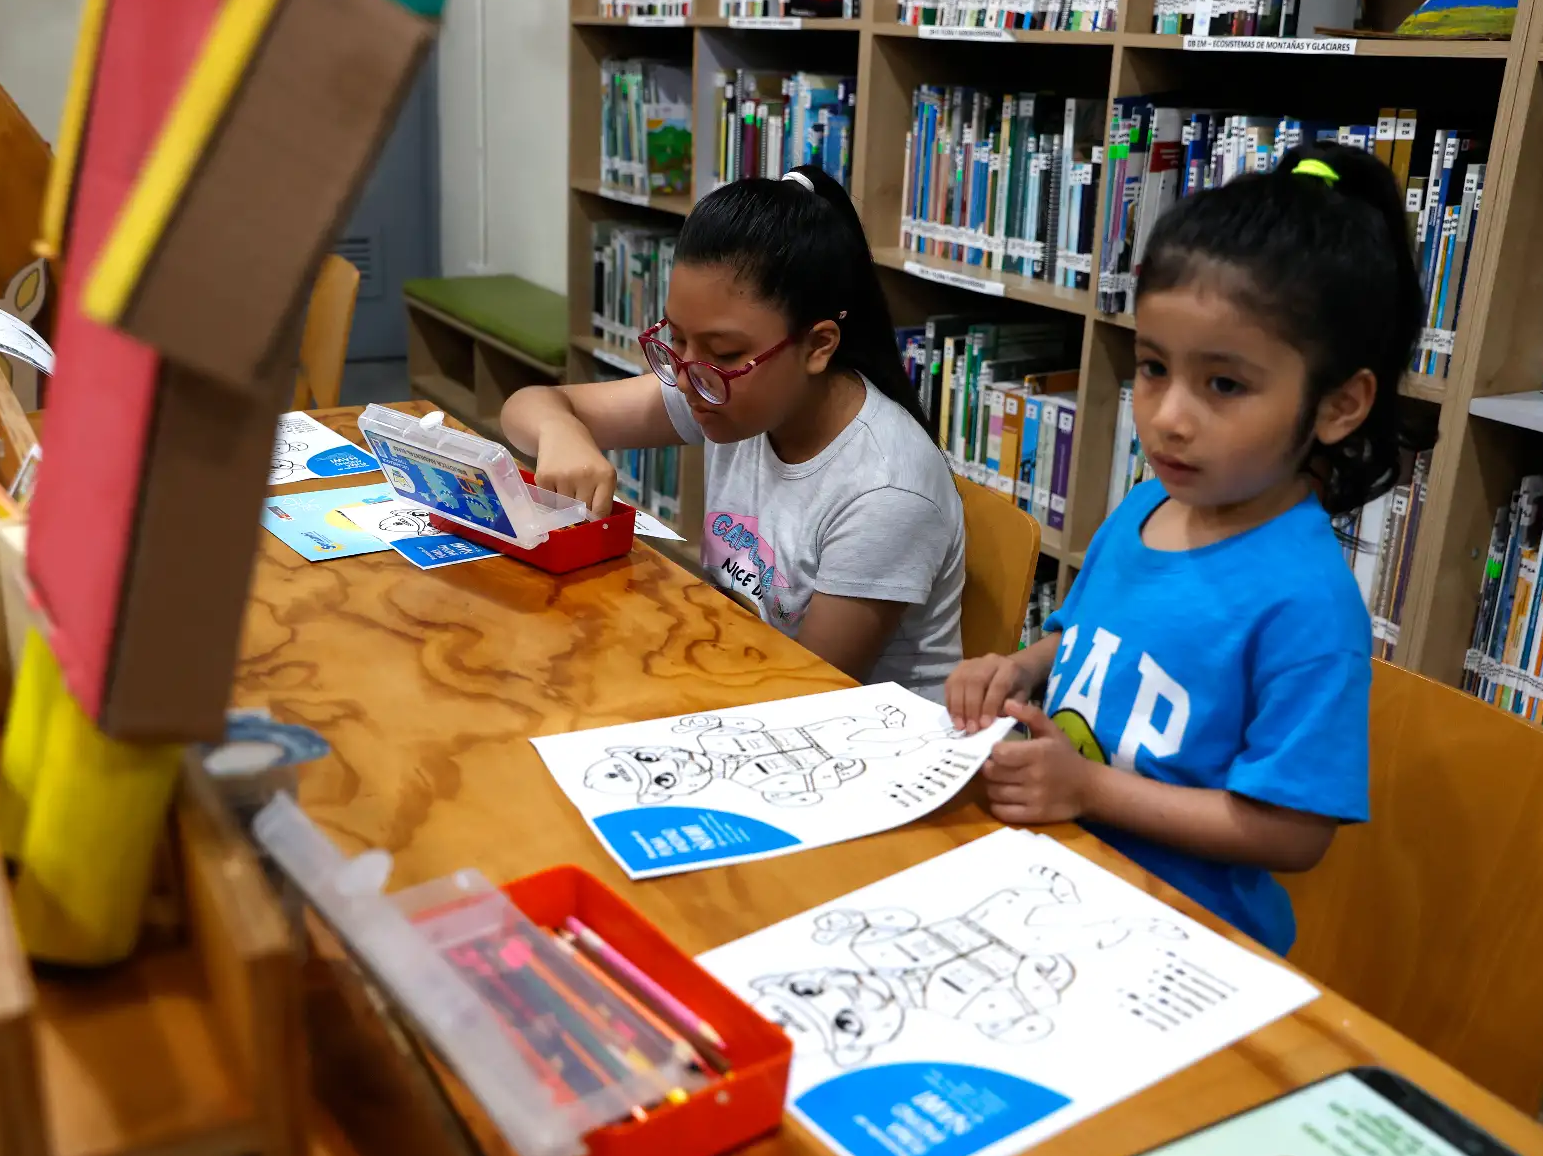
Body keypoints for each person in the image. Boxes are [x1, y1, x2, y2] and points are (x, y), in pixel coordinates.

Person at [944, 144, 1427, 955]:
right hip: (1061, 883)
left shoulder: (1306, 604)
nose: (1168, 416)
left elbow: (1292, 833)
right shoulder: (1148, 505)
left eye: (1224, 385)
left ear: (1340, 404)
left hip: (1182, 938)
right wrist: (1021, 668)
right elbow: (1088, 640)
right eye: (1154, 368)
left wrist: (1090, 787)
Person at [504, 165, 965, 700]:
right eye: (676, 340)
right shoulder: (736, 391)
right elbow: (527, 405)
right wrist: (562, 431)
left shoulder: (885, 491)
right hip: (733, 674)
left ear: (818, 346)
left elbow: (801, 692)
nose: (688, 377)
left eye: (723, 353)